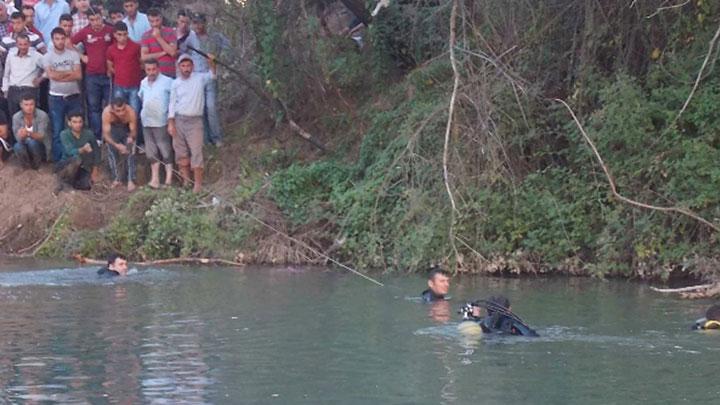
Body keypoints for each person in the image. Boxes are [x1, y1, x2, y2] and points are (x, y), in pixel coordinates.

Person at [168, 53, 215, 193]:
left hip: (195, 121)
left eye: (188, 65)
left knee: (196, 152)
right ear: (179, 67)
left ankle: (198, 185)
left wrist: (211, 62)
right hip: (179, 120)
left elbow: (212, 75)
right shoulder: (175, 83)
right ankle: (186, 182)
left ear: (192, 66)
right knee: (180, 152)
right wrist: (171, 123)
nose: (186, 68)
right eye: (183, 65)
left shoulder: (199, 78)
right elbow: (172, 103)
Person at [40, 26, 82, 162]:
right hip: (56, 97)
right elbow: (52, 76)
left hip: (74, 96)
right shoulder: (47, 57)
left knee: (76, 129)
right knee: (57, 130)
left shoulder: (73, 54)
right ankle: (59, 161)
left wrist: (60, 74)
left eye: (62, 38)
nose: (60, 41)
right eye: (57, 39)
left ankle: (76, 158)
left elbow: (79, 75)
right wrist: (69, 72)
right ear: (52, 40)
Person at [72, 6, 112, 142]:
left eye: (98, 19)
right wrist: (81, 56)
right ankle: (97, 136)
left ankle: (109, 135)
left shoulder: (110, 31)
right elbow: (69, 42)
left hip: (108, 75)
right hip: (91, 75)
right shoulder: (85, 32)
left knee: (109, 106)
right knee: (93, 107)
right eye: (92, 20)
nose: (95, 22)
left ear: (102, 17)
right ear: (88, 20)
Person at [188, 12, 227, 146]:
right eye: (195, 23)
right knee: (200, 108)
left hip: (210, 74)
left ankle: (216, 137)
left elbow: (228, 50)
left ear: (205, 22)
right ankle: (205, 139)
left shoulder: (215, 37)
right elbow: (182, 53)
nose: (198, 26)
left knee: (211, 107)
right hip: (196, 77)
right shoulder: (190, 38)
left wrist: (217, 59)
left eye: (200, 22)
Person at [138, 58, 173, 188]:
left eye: (154, 69)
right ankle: (155, 179)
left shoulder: (168, 82)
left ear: (158, 68)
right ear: (145, 70)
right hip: (147, 121)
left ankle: (169, 179)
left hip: (161, 121)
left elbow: (173, 100)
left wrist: (170, 119)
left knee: (165, 149)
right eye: (148, 70)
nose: (151, 72)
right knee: (151, 151)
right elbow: (142, 98)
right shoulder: (143, 83)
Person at [106, 21, 141, 128]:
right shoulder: (111, 49)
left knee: (134, 112)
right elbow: (110, 65)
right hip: (119, 85)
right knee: (118, 112)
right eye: (119, 35)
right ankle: (121, 135)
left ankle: (135, 138)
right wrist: (117, 72)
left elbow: (141, 63)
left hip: (134, 85)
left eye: (125, 34)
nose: (123, 37)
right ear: (115, 35)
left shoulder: (135, 47)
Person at [56, 110, 99, 191]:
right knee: (76, 159)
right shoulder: (64, 134)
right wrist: (83, 149)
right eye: (74, 122)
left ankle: (69, 184)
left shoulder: (89, 134)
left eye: (80, 122)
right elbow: (69, 151)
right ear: (69, 123)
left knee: (87, 185)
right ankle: (64, 181)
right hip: (66, 163)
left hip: (82, 166)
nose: (78, 125)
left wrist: (95, 169)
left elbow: (96, 151)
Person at [3, 33, 43, 118]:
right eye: (20, 44)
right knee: (13, 118)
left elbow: (49, 68)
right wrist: (5, 91)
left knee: (31, 119)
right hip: (13, 90)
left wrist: (41, 78)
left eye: (25, 44)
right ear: (16, 44)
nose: (23, 47)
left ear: (29, 44)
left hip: (29, 90)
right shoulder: (11, 56)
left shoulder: (37, 56)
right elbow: (6, 75)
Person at [102, 96, 137, 191]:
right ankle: (116, 179)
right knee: (111, 152)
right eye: (118, 110)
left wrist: (130, 137)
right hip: (113, 132)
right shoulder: (107, 113)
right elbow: (106, 135)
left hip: (125, 131)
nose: (121, 113)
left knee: (130, 151)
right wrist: (116, 145)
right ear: (112, 110)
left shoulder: (130, 112)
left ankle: (131, 180)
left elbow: (133, 130)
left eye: (123, 109)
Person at [460, 296, 539, 337]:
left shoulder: (483, 322)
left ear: (488, 310)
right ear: (509, 310)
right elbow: (532, 336)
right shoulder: (512, 321)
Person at [12, 94, 48, 168]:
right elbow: (17, 138)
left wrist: (28, 133)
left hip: (40, 146)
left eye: (31, 104)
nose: (29, 107)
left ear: (35, 104)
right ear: (21, 105)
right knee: (17, 146)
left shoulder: (42, 115)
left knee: (32, 143)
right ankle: (26, 166)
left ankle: (37, 164)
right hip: (24, 144)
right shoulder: (16, 117)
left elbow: (42, 136)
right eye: (26, 104)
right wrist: (21, 135)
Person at [140, 8, 176, 78]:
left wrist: (158, 37)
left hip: (169, 74)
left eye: (157, 20)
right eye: (152, 21)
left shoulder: (170, 32)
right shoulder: (145, 36)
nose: (155, 24)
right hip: (153, 75)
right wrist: (164, 52)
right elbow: (144, 57)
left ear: (161, 19)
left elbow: (172, 52)